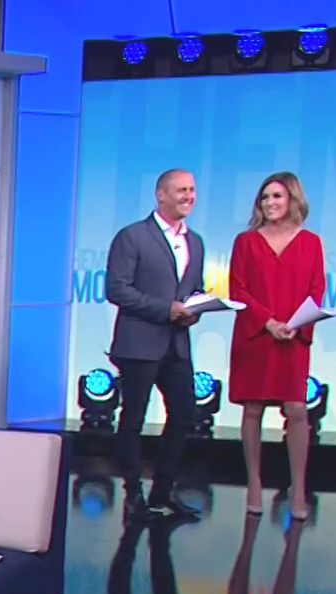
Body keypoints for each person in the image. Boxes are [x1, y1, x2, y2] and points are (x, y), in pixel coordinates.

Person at [106, 168, 206, 521]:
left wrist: (196, 309)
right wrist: (166, 309)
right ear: (161, 195)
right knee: (133, 418)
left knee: (184, 415)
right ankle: (133, 494)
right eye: (181, 190)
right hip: (139, 343)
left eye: (192, 190)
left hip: (177, 345)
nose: (188, 197)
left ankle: (163, 493)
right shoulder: (132, 236)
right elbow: (117, 290)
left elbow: (193, 290)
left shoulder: (195, 241)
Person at [227, 172, 325, 519]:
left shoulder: (311, 242)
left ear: (293, 200)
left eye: (277, 196)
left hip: (293, 337)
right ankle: (254, 484)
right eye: (265, 197)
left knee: (296, 409)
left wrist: (295, 326)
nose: (269, 203)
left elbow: (316, 289)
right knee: (253, 409)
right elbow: (238, 290)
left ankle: (298, 489)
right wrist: (268, 323)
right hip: (256, 335)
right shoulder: (246, 241)